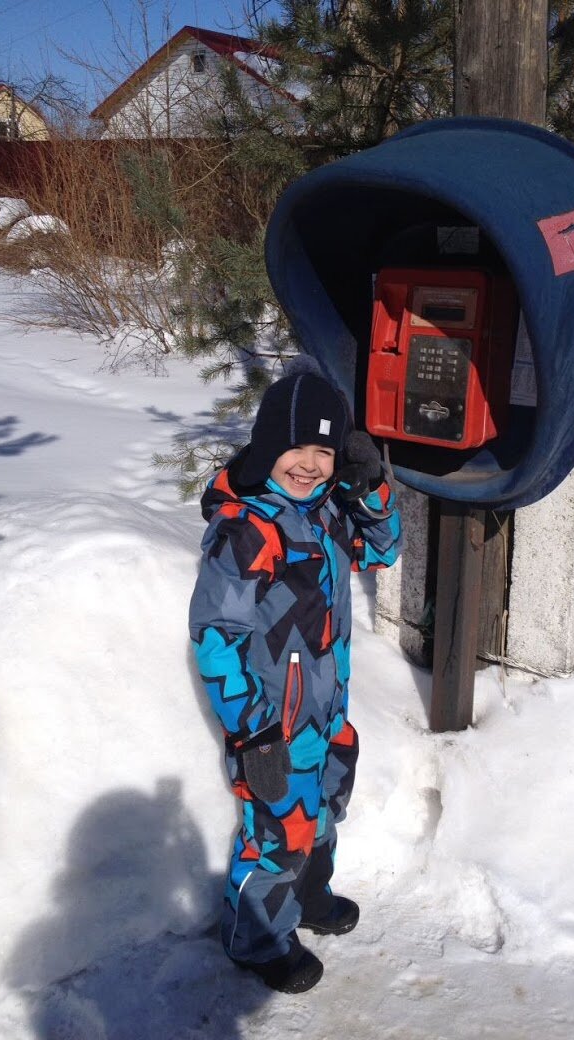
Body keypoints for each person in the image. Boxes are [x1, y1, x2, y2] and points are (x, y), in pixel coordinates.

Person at [189, 358, 402, 994]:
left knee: (326, 811)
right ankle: (254, 940)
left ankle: (310, 899)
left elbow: (384, 549)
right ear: (268, 446)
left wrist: (369, 489)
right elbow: (216, 640)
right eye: (295, 448)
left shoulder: (327, 511)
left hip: (325, 711)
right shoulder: (246, 531)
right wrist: (253, 735)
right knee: (278, 832)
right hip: (272, 726)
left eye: (325, 450)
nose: (309, 463)